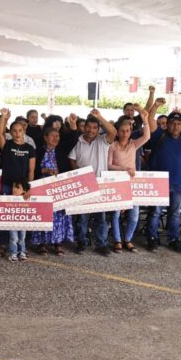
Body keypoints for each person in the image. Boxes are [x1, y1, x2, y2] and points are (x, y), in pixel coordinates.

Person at [145, 112, 181, 253]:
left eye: (179, 124)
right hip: (158, 182)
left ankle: (174, 239)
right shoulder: (158, 135)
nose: (176, 126)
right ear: (167, 124)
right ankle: (152, 238)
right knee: (155, 212)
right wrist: (155, 106)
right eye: (173, 123)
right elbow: (150, 120)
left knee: (174, 213)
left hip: (178, 183)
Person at [68, 109, 116, 255]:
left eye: (95, 127)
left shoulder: (103, 141)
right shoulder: (78, 142)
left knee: (101, 218)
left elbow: (113, 132)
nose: (91, 130)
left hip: (100, 185)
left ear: (98, 129)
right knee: (82, 218)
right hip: (83, 186)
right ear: (84, 127)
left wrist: (99, 117)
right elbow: (72, 158)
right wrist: (78, 174)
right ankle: (82, 242)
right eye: (88, 127)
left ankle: (101, 244)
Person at [107, 111, 152, 253]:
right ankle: (117, 240)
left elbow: (147, 136)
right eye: (122, 130)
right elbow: (108, 165)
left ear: (130, 131)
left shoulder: (134, 144)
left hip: (132, 184)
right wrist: (125, 168)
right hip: (117, 183)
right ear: (117, 132)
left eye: (127, 130)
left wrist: (145, 121)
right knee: (115, 214)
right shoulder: (112, 146)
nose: (125, 133)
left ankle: (128, 239)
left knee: (134, 215)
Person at [0, 108, 36, 258]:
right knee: (8, 216)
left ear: (23, 131)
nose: (18, 133)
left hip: (22, 189)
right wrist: (4, 117)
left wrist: (28, 188)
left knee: (21, 218)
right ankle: (8, 246)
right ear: (11, 132)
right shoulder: (7, 146)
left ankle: (21, 249)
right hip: (8, 185)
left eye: (20, 130)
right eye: (14, 130)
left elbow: (31, 170)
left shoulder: (30, 148)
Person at [32, 127, 74, 254]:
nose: (56, 138)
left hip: (58, 190)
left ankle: (58, 243)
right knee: (43, 214)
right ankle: (41, 243)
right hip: (42, 189)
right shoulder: (37, 151)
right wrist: (45, 171)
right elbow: (31, 170)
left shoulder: (61, 152)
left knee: (59, 216)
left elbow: (67, 170)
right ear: (45, 137)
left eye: (58, 136)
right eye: (53, 135)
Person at [6, 178, 31, 263]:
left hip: (23, 223)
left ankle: (22, 252)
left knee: (22, 238)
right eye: (13, 187)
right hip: (12, 223)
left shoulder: (27, 199)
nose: (14, 189)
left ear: (24, 190)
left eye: (17, 187)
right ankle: (13, 254)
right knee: (14, 238)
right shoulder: (8, 199)